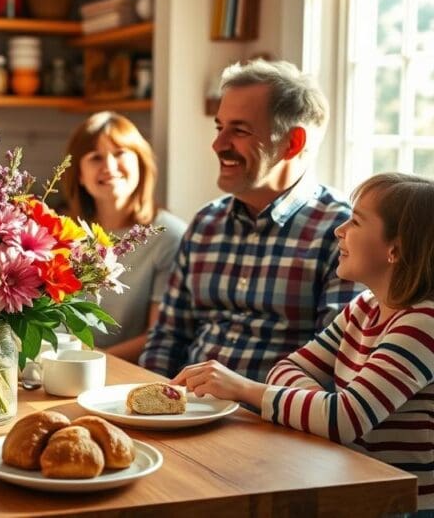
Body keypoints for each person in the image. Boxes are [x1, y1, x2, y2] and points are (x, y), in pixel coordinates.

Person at [175, 173, 434, 511]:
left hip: (400, 503)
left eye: (355, 222)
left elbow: (344, 420)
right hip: (355, 485)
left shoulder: (423, 323)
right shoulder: (363, 308)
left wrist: (241, 388)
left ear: (394, 249)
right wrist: (323, 408)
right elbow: (287, 368)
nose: (339, 230)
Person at [140, 59, 362, 381]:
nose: (218, 144)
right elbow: (168, 339)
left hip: (273, 423)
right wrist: (146, 407)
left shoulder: (342, 231)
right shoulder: (206, 223)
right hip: (184, 413)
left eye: (239, 130)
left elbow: (333, 365)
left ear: (293, 143)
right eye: (219, 127)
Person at [63, 111, 186, 363]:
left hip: (125, 373)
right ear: (79, 175)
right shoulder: (63, 234)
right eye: (96, 157)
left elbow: (158, 334)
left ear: (141, 163)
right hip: (56, 365)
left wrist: (91, 362)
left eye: (119, 153)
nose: (109, 166)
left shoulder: (170, 236)